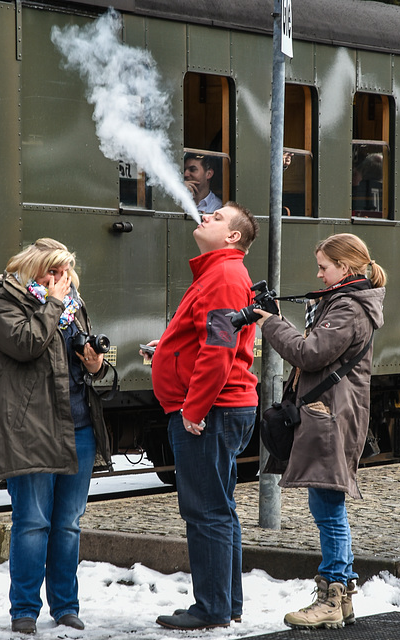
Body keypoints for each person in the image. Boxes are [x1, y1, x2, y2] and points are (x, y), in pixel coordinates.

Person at [254, 233, 386, 630]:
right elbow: (317, 348)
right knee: (329, 506)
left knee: (327, 510)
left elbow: (309, 353)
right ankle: (341, 595)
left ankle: (330, 597)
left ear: (345, 268)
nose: (319, 273)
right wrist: (277, 317)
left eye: (324, 267)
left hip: (332, 417)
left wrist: (271, 324)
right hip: (331, 414)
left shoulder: (348, 307)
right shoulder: (346, 303)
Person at [0, 238, 112, 636]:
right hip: (31, 430)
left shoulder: (72, 306)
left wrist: (96, 366)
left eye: (66, 272)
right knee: (32, 523)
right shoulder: (4, 298)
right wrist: (53, 305)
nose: (62, 280)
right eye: (52, 272)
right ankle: (24, 610)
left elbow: (100, 379)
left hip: (79, 428)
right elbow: (26, 344)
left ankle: (66, 607)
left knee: (69, 524)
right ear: (32, 269)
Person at [141, 202, 260, 630]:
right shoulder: (219, 273)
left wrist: (194, 407)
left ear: (232, 237)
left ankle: (211, 609)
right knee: (219, 508)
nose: (205, 217)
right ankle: (226, 605)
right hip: (222, 406)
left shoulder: (224, 277)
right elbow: (207, 337)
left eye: (216, 218)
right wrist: (169, 350)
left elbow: (220, 348)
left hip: (212, 410)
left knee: (205, 511)